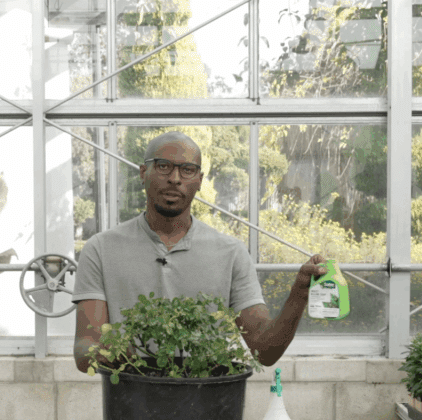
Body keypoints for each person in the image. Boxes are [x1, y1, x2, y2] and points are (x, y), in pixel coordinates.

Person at [72, 131, 326, 373]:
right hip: (129, 398)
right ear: (143, 172)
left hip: (207, 397)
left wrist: (298, 294)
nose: (175, 178)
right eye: (163, 166)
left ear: (200, 180)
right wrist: (106, 352)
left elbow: (264, 351)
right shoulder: (101, 249)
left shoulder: (231, 253)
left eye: (187, 169)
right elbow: (85, 347)